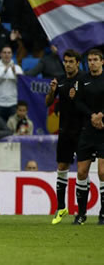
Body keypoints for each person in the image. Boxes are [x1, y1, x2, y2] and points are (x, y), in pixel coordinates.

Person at [45, 49, 85, 225]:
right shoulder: (60, 80)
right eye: (65, 61)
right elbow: (48, 103)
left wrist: (77, 97)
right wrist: (52, 92)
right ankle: (61, 208)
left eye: (71, 62)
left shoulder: (84, 79)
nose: (67, 64)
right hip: (65, 130)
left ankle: (82, 212)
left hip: (83, 131)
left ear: (77, 63)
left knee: (83, 170)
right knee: (62, 166)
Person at [73, 49, 104, 225]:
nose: (92, 62)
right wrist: (92, 116)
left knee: (102, 172)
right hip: (87, 129)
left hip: (103, 130)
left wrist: (101, 116)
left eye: (95, 60)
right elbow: (78, 102)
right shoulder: (82, 80)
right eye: (90, 60)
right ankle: (82, 214)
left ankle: (103, 214)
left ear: (102, 62)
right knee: (81, 171)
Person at [0, 45, 24, 121]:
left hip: (13, 103)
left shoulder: (17, 68)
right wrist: (4, 71)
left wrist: (15, 73)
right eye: (4, 52)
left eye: (9, 53)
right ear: (0, 54)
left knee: (13, 128)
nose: (6, 55)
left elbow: (22, 84)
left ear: (12, 55)